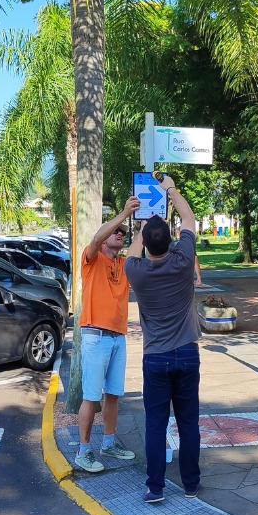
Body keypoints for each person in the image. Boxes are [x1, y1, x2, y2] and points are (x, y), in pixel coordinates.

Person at [125, 177, 201, 503]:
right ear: (172, 241)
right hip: (186, 353)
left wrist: (144, 227)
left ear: (145, 241)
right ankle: (191, 484)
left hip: (155, 357)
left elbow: (133, 250)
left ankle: (155, 488)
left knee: (156, 425)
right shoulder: (183, 260)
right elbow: (189, 219)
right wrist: (169, 188)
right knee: (188, 422)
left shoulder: (136, 271)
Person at [74, 196, 141, 473]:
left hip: (117, 337)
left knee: (113, 394)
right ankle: (83, 451)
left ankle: (109, 443)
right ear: (103, 240)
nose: (120, 234)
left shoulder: (124, 264)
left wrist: (155, 211)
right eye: (115, 232)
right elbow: (97, 237)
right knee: (91, 396)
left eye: (122, 233)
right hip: (94, 336)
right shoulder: (91, 260)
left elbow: (142, 242)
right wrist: (123, 214)